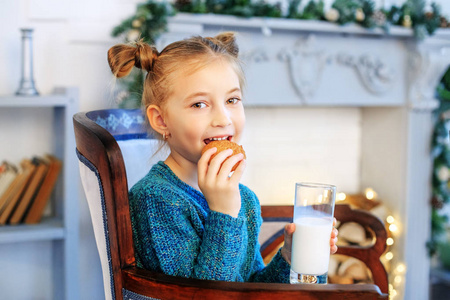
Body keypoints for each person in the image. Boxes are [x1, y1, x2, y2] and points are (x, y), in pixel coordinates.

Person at [107, 32, 338, 283]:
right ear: (161, 120)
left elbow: (249, 288)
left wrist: (288, 260)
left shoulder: (245, 200)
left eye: (232, 100)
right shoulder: (154, 200)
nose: (224, 119)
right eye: (199, 104)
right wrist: (224, 214)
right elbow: (205, 295)